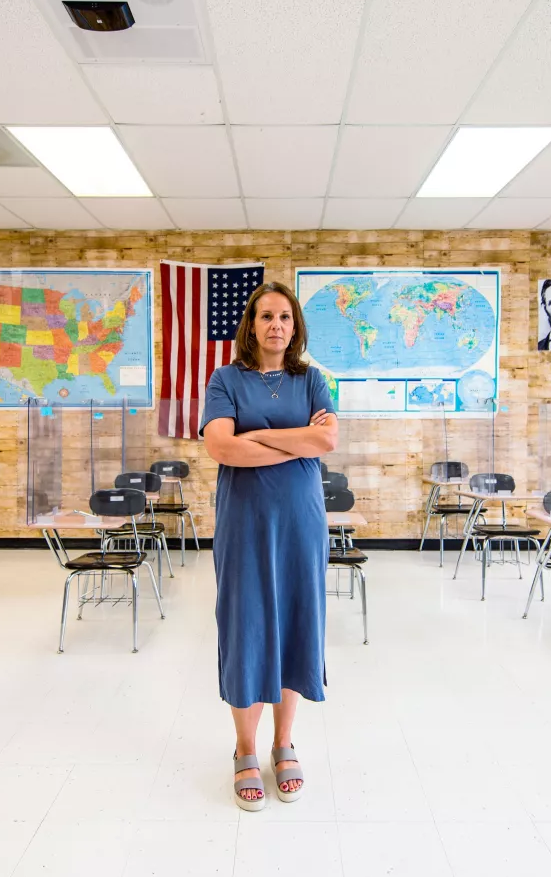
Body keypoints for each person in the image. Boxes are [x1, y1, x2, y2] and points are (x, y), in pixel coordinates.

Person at [199, 282, 337, 812]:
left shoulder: (312, 379)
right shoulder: (225, 379)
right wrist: (294, 437)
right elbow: (219, 447)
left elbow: (326, 441)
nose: (275, 325)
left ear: (295, 326)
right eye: (265, 316)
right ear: (251, 326)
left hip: (301, 523)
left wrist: (255, 439)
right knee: (247, 625)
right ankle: (245, 748)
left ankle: (284, 744)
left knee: (297, 624)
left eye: (284, 316)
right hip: (245, 523)